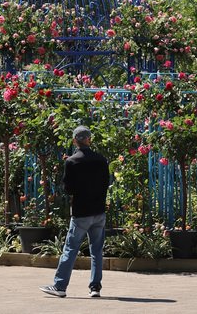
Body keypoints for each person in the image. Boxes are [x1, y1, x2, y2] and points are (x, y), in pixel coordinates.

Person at [40, 125, 110, 299]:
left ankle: (60, 285)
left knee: (70, 249)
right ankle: (95, 287)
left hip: (81, 212)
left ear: (75, 141)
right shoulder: (101, 160)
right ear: (89, 139)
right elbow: (105, 183)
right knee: (97, 251)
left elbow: (69, 189)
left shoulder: (72, 161)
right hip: (98, 211)